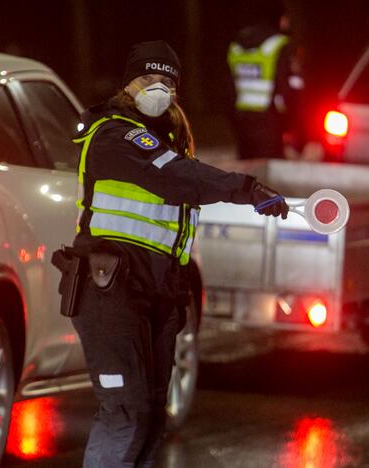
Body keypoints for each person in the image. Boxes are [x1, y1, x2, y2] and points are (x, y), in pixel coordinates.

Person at [61, 40, 289, 467]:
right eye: (149, 78)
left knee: (149, 416)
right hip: (111, 293)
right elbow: (174, 178)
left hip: (156, 293)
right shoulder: (114, 133)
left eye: (168, 81)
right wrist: (246, 188)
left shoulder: (162, 139)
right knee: (123, 414)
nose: (159, 88)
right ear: (129, 83)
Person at [227, 2, 306, 159]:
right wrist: (296, 128)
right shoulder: (280, 45)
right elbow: (291, 89)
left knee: (246, 175)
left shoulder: (236, 45)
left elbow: (228, 89)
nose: (287, 22)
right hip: (270, 123)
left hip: (241, 122)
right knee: (267, 177)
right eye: (285, 17)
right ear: (278, 18)